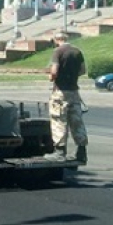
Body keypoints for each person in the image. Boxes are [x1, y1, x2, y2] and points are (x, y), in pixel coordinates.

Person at [45, 31, 88, 164]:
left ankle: (60, 152)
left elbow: (54, 71)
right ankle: (81, 152)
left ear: (57, 40)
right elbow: (83, 70)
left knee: (59, 120)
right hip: (74, 91)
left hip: (60, 92)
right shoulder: (77, 51)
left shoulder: (58, 51)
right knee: (77, 121)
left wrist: (51, 77)